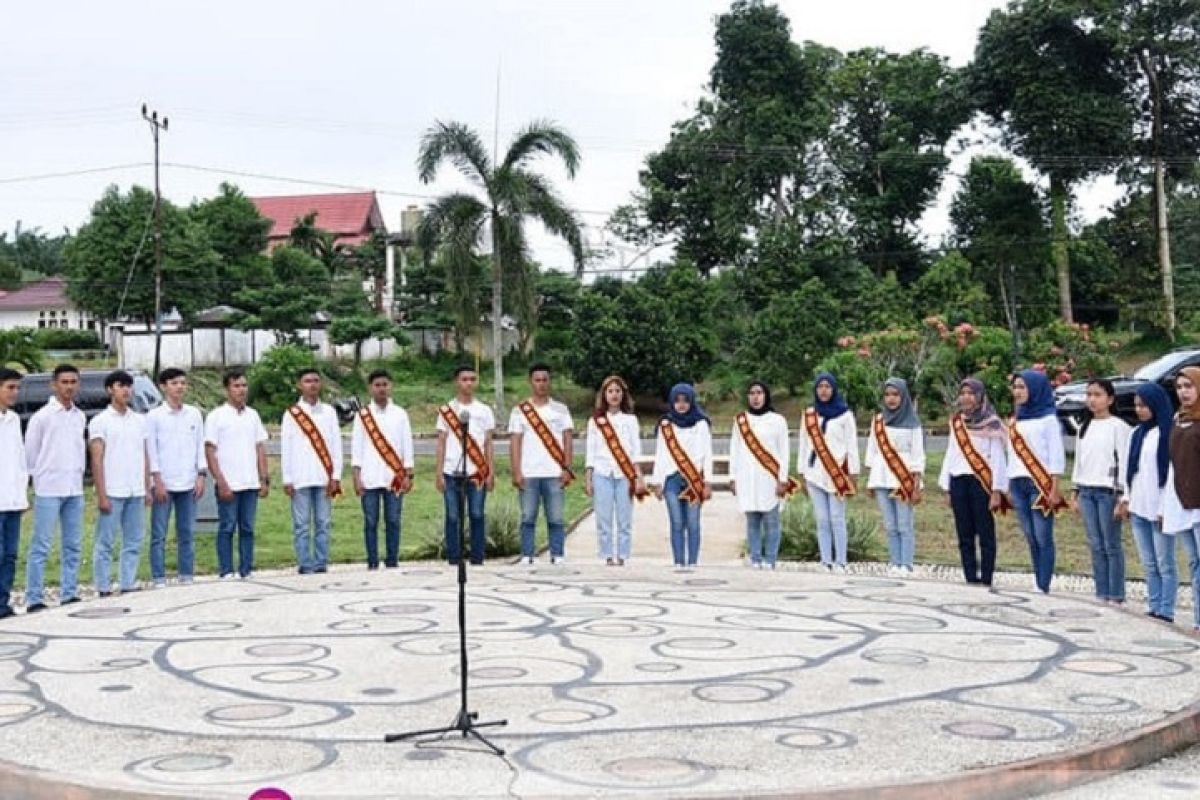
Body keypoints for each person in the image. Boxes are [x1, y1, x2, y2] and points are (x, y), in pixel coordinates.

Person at [24, 363, 86, 612]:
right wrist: (35, 480)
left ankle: (69, 592)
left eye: (73, 382)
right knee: (41, 545)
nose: (69, 387)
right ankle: (34, 597)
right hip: (48, 488)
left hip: (74, 488)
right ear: (54, 384)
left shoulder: (79, 416)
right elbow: (31, 455)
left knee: (73, 544)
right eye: (64, 382)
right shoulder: (42, 417)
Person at [939, 378, 1008, 588]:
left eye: (971, 393)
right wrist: (947, 486)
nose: (966, 397)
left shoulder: (991, 423)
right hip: (959, 480)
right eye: (963, 393)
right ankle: (970, 576)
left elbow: (997, 457)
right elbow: (952, 452)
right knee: (964, 531)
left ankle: (986, 577)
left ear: (980, 397)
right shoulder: (956, 422)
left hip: (982, 482)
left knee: (985, 531)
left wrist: (997, 490)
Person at [89, 370, 152, 596]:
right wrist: (102, 494)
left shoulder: (139, 420)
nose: (126, 390)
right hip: (113, 489)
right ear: (110, 390)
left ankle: (128, 581)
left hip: (135, 488)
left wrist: (147, 486)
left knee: (134, 539)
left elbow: (144, 455)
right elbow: (96, 459)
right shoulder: (100, 421)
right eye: (120, 385)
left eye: (129, 385)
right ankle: (103, 586)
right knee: (105, 541)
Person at [1069, 379, 1131, 604]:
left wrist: (1124, 496)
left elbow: (1123, 462)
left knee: (1111, 544)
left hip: (1108, 491)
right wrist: (1075, 491)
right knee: (1095, 543)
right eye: (1089, 395)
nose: (1092, 400)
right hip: (1087, 490)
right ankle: (1101, 591)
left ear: (1110, 399)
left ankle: (1116, 593)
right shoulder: (1084, 427)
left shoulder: (1119, 427)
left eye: (1097, 395)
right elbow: (1079, 461)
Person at [1118, 383, 1176, 623]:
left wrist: (1164, 507)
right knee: (1148, 561)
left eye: (1144, 405)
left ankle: (1166, 608)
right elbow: (1130, 469)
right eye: (1137, 405)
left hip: (1159, 506)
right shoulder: (1136, 433)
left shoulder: (1168, 432)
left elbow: (1169, 473)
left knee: (1165, 562)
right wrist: (1126, 498)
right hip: (1139, 505)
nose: (1140, 410)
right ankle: (1153, 604)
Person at [1007, 369, 1067, 594]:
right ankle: (1037, 578)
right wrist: (1008, 485)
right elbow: (1011, 453)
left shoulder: (1049, 419)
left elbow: (1056, 454)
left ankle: (1044, 583)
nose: (1018, 392)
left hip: (1039, 483)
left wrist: (1054, 486)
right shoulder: (1016, 419)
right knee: (1030, 534)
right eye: (1016, 387)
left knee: (1043, 535)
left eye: (1023, 387)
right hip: (1018, 481)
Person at [205, 369, 269, 579]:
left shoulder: (253, 415)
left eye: (244, 385)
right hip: (229, 482)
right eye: (236, 386)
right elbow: (210, 451)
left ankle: (246, 568)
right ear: (227, 389)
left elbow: (260, 447)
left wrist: (264, 478)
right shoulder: (216, 417)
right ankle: (226, 569)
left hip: (250, 482)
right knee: (227, 527)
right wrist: (221, 482)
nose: (241, 390)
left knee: (248, 528)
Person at [146, 368, 206, 588]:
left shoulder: (194, 414)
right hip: (164, 482)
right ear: (163, 386)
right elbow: (151, 450)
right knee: (159, 533)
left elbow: (200, 445)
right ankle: (158, 576)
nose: (179, 387)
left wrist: (201, 474)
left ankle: (186, 574)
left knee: (187, 531)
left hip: (188, 480)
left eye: (182, 383)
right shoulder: (154, 416)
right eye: (174, 383)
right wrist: (157, 480)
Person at [510, 364, 575, 565]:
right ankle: (528, 554)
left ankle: (557, 554)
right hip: (529, 472)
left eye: (545, 380)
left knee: (556, 517)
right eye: (537, 380)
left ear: (550, 381)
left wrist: (567, 468)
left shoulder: (560, 410)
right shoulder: (520, 411)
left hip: (554, 472)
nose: (541, 384)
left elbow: (568, 439)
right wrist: (516, 471)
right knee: (528, 517)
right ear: (530, 382)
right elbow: (515, 442)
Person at [351, 369, 414, 570]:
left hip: (393, 477)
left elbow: (407, 445)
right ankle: (372, 560)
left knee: (393, 520)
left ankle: (392, 559)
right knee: (370, 521)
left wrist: (408, 474)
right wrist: (356, 475)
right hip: (369, 476)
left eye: (385, 385)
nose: (381, 389)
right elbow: (357, 447)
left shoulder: (400, 414)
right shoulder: (363, 416)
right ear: (370, 388)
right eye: (377, 385)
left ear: (391, 386)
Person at [281, 368, 343, 575]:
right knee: (302, 525)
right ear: (299, 384)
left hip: (324, 477)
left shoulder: (329, 412)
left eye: (316, 380)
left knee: (323, 523)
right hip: (300, 478)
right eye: (307, 381)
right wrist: (287, 478)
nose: (312, 384)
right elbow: (286, 448)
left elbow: (336, 446)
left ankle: (321, 562)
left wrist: (336, 476)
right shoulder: (292, 414)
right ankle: (305, 563)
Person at [797, 372, 860, 573]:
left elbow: (852, 446)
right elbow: (803, 445)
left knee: (837, 518)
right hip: (814, 473)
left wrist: (853, 473)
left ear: (834, 389)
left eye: (827, 387)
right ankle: (826, 560)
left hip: (837, 473)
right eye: (820, 387)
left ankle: (841, 560)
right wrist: (801, 472)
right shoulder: (809, 415)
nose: (823, 390)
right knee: (822, 519)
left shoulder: (845, 415)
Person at [864, 378, 926, 575]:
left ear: (903, 396)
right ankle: (894, 561)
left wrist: (916, 484)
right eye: (888, 395)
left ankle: (906, 564)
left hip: (903, 477)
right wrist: (870, 481)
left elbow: (918, 454)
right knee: (890, 524)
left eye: (895, 394)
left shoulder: (913, 423)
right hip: (881, 475)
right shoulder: (878, 421)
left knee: (904, 523)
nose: (891, 399)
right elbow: (872, 451)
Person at [435, 366, 495, 566]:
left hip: (477, 471)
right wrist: (438, 473)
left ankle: (477, 558)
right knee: (453, 516)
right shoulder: (447, 411)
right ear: (456, 382)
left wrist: (490, 471)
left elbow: (487, 443)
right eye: (464, 379)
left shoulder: (484, 410)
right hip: (452, 471)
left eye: (472, 379)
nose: (468, 383)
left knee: (477, 514)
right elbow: (441, 442)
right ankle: (454, 558)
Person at [729, 380, 793, 569]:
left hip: (770, 478)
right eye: (752, 393)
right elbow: (735, 449)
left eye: (759, 392)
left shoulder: (778, 420)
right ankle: (755, 558)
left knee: (772, 521)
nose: (755, 397)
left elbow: (785, 452)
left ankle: (770, 559)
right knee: (752, 521)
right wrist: (733, 477)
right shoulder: (740, 421)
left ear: (766, 395)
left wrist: (783, 478)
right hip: (747, 477)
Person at [650, 383, 714, 570]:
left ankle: (693, 561)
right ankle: (678, 561)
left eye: (685, 401)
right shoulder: (665, 424)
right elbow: (661, 453)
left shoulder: (701, 424)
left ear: (691, 401)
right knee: (676, 521)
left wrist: (708, 482)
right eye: (677, 401)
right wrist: (657, 481)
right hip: (671, 478)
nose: (681, 405)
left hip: (694, 478)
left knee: (693, 522)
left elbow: (707, 454)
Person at [584, 375, 645, 566]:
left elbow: (636, 451)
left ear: (623, 394)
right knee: (603, 516)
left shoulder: (631, 420)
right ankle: (607, 554)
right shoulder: (596, 421)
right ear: (604, 395)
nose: (614, 395)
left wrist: (638, 476)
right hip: (602, 472)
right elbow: (590, 451)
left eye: (618, 391)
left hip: (624, 473)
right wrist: (588, 477)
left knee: (624, 517)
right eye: (610, 391)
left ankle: (623, 554)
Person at [1164, 366, 1200, 634]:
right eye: (1180, 387)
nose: (1184, 392)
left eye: (1189, 386)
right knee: (1194, 562)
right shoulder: (1179, 418)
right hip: (1182, 499)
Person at [0, 368, 28, 618]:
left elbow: (20, 460)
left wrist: (22, 495)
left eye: (17, 388)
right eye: (10, 387)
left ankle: (3, 602)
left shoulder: (14, 419)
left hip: (11, 499)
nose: (14, 393)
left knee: (9, 555)